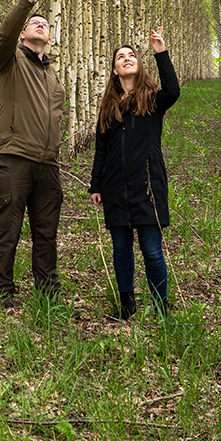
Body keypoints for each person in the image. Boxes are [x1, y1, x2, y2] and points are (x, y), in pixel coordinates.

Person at [0, 0, 66, 308]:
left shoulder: (53, 76)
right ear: (23, 34)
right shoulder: (9, 61)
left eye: (46, 25)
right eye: (34, 22)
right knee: (10, 228)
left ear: (49, 38)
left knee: (46, 234)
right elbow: (3, 37)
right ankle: (2, 292)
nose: (41, 25)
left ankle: (48, 293)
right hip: (14, 157)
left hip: (47, 165)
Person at [89, 28, 180, 320]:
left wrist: (160, 52)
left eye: (131, 56)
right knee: (120, 248)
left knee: (152, 250)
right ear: (115, 71)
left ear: (139, 65)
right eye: (120, 57)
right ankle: (127, 304)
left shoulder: (152, 99)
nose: (126, 59)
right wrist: (96, 184)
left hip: (148, 185)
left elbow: (174, 91)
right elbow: (101, 148)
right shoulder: (108, 106)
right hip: (115, 186)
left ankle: (161, 306)